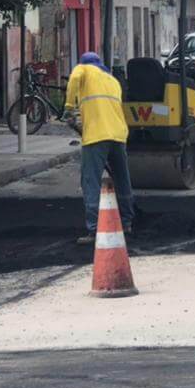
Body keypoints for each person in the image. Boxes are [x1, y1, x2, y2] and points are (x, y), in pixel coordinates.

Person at [63, 51, 134, 245]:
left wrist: (69, 107)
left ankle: (94, 229)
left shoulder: (83, 69)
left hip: (96, 136)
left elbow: (75, 77)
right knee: (122, 178)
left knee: (90, 181)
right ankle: (127, 221)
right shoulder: (112, 80)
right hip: (118, 135)